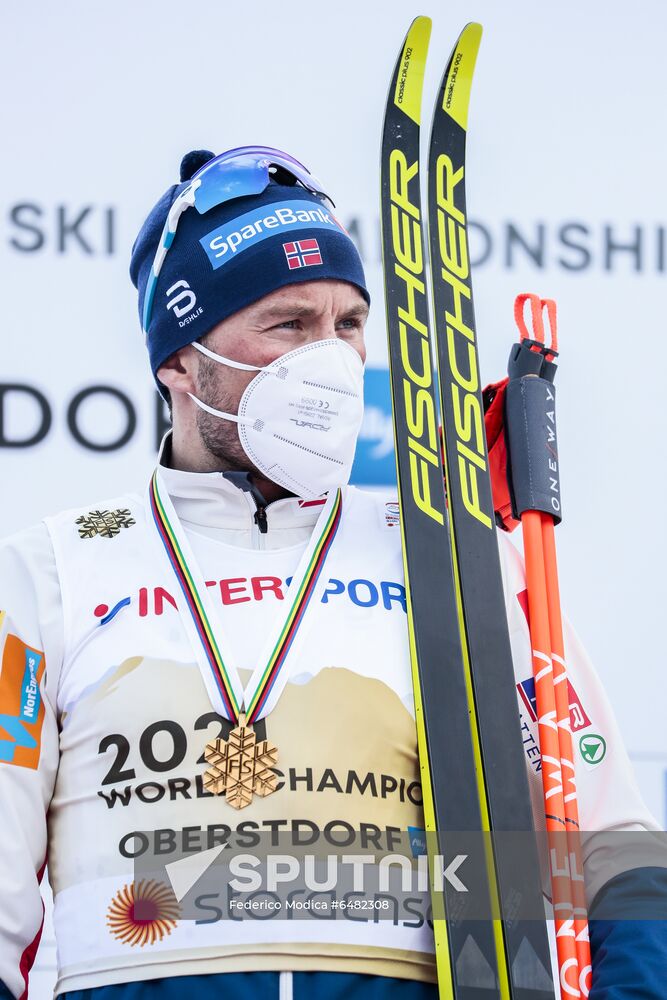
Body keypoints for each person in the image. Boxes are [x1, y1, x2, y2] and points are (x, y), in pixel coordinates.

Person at [0, 147, 664, 1000]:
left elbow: (610, 837)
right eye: (287, 324)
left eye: (348, 324)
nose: (330, 359)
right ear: (178, 358)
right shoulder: (52, 570)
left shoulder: (448, 552)